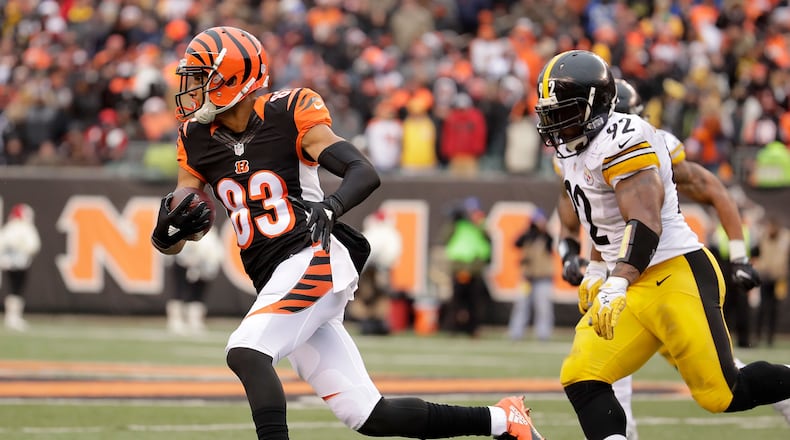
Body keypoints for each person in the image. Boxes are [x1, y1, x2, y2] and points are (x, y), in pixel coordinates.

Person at [150, 26, 542, 440]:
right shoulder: (195, 138)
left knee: (247, 351)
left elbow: (362, 171)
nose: (191, 87)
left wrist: (332, 207)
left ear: (232, 77)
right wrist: (165, 231)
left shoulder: (290, 111)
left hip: (311, 254)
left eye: (200, 76)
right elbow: (180, 230)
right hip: (273, 276)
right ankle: (504, 420)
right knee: (370, 415)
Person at [537, 50, 790, 440]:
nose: (554, 122)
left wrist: (616, 280)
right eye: (549, 112)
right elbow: (603, 221)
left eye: (563, 110)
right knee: (582, 374)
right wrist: (594, 267)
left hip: (674, 273)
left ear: (596, 106)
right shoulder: (573, 148)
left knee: (721, 393)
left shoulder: (624, 139)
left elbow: (644, 222)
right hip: (633, 279)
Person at [441, 197, 492, 338]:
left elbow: (488, 240)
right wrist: (453, 220)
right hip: (458, 267)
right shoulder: (458, 223)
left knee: (475, 302)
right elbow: (445, 237)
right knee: (456, 302)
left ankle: (473, 329)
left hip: (475, 268)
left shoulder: (481, 224)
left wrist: (480, 224)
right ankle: (452, 328)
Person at [508, 209, 555, 342]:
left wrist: (543, 231)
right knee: (521, 306)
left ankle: (543, 334)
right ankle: (516, 332)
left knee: (544, 308)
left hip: (543, 278)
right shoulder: (528, 237)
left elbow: (551, 243)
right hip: (527, 278)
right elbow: (516, 242)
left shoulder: (546, 237)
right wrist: (529, 231)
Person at [168, 227, 224, 335]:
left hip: (201, 267)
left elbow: (216, 253)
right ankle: (175, 320)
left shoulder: (211, 234)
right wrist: (190, 261)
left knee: (197, 294)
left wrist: (206, 265)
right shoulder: (187, 226)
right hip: (183, 263)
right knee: (179, 291)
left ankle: (194, 320)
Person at [0, 203, 41, 331]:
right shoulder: (23, 229)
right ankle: (12, 317)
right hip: (17, 264)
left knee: (14, 290)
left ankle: (12, 317)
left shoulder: (10, 228)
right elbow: (34, 246)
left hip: (10, 263)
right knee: (16, 290)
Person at [753, 216, 790, 348]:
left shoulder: (786, 238)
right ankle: (757, 335)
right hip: (765, 276)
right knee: (763, 307)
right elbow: (757, 254)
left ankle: (770, 337)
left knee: (774, 308)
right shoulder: (763, 236)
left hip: (779, 278)